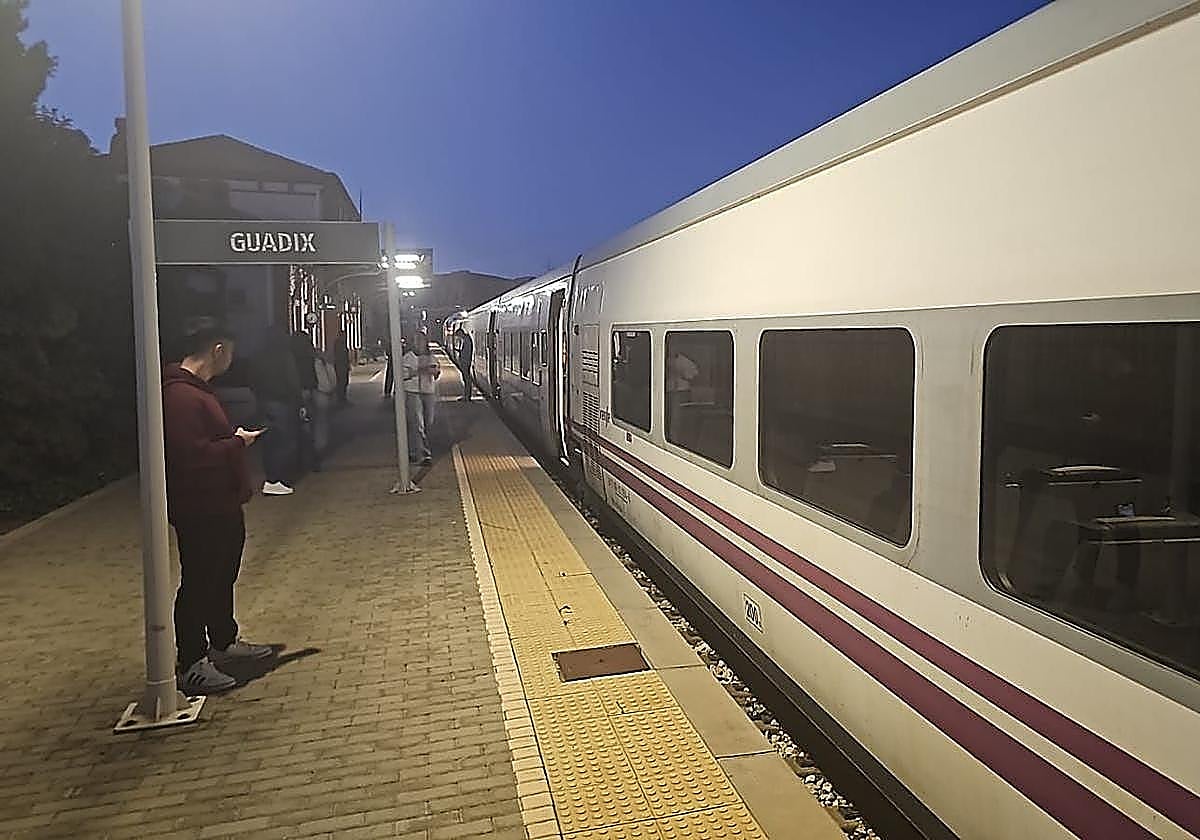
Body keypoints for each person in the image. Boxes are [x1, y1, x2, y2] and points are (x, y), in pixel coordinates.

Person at [162, 319, 272, 694]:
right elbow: (191, 455)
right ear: (218, 350)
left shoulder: (195, 391)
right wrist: (237, 443)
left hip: (220, 502)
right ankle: (192, 662)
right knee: (199, 581)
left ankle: (224, 641)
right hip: (200, 505)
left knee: (221, 574)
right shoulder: (180, 396)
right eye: (231, 353)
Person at [251, 326, 302, 495]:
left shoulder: (258, 357)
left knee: (269, 442)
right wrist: (299, 402)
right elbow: (292, 379)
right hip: (283, 402)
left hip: (264, 402)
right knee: (286, 441)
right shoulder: (284, 356)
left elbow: (252, 380)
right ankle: (279, 479)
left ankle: (271, 478)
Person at [402, 332, 441, 465]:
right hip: (413, 392)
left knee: (428, 422)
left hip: (429, 392)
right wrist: (421, 370)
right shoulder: (408, 357)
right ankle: (423, 454)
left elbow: (437, 373)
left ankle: (414, 450)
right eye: (416, 341)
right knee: (418, 424)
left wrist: (435, 372)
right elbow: (402, 375)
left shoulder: (432, 357)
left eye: (421, 341)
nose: (419, 343)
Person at [290, 331, 319, 472]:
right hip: (307, 392)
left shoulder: (290, 356)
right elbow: (313, 376)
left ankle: (298, 461)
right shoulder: (309, 355)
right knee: (309, 428)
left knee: (295, 428)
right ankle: (312, 461)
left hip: (293, 394)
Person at [312, 349, 337, 462]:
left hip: (303, 396)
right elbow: (330, 382)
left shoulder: (295, 360)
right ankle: (318, 451)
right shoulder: (320, 362)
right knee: (320, 424)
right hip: (321, 395)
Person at [454, 326, 474, 401]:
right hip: (465, 362)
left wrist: (460, 354)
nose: (459, 337)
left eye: (458, 336)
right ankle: (466, 395)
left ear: (460, 334)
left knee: (466, 379)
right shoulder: (467, 339)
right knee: (466, 379)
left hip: (465, 362)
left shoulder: (467, 340)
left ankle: (467, 396)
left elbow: (467, 352)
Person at [333, 329, 351, 406]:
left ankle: (343, 398)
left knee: (345, 382)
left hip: (344, 365)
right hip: (340, 366)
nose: (345, 337)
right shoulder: (338, 344)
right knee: (341, 382)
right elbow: (340, 356)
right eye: (344, 335)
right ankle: (340, 399)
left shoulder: (343, 343)